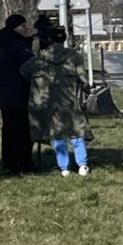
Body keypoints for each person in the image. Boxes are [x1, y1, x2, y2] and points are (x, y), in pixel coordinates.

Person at [20, 27, 92, 177]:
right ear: (64, 39)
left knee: (58, 136)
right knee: (77, 134)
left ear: (50, 39)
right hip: (71, 102)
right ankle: (82, 165)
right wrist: (86, 89)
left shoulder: (40, 59)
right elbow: (84, 80)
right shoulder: (74, 56)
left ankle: (64, 168)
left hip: (49, 104)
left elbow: (23, 70)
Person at [0, 14, 35, 174]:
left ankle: (9, 164)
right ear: (15, 27)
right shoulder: (15, 44)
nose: (25, 29)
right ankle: (23, 164)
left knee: (9, 130)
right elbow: (30, 64)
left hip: (4, 95)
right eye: (23, 26)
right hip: (18, 94)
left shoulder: (0, 42)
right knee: (22, 131)